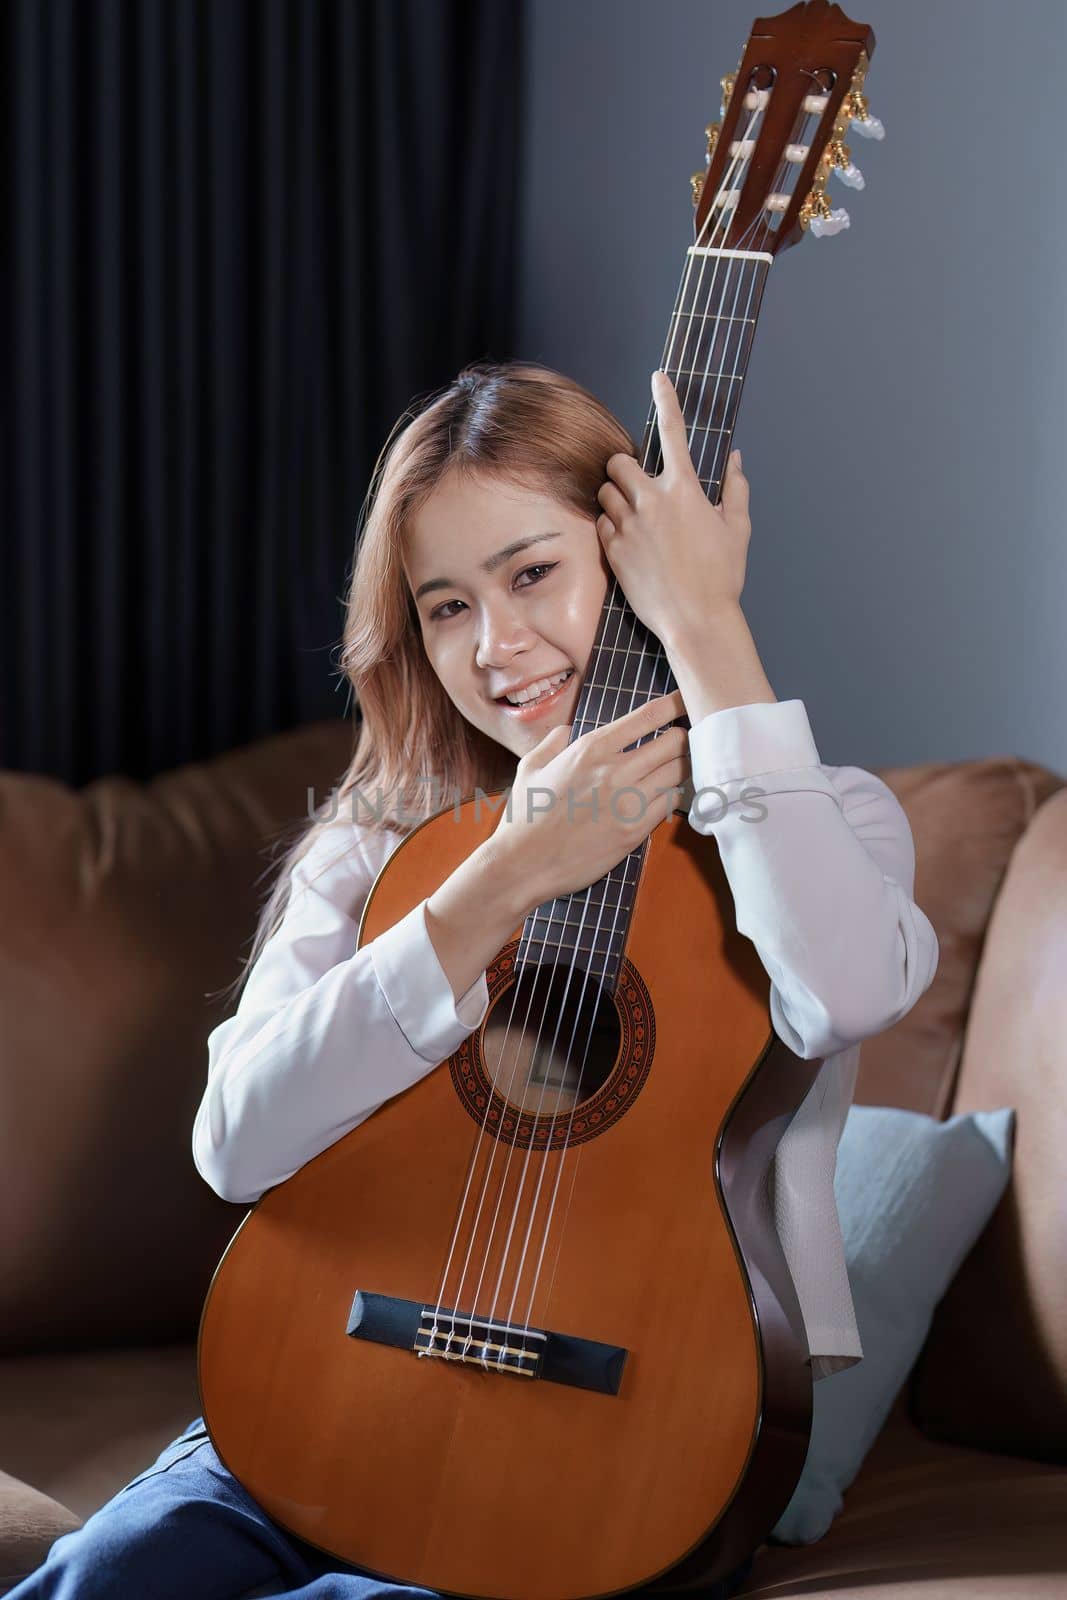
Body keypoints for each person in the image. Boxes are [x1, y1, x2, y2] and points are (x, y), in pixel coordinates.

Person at [12, 361, 939, 1599]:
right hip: (326, 1391)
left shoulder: (823, 823)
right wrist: (497, 880)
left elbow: (841, 995)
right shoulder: (374, 842)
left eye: (531, 573)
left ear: (637, 556)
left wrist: (708, 628)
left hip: (627, 1440)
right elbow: (233, 1145)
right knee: (101, 1578)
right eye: (444, 605)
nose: (495, 644)